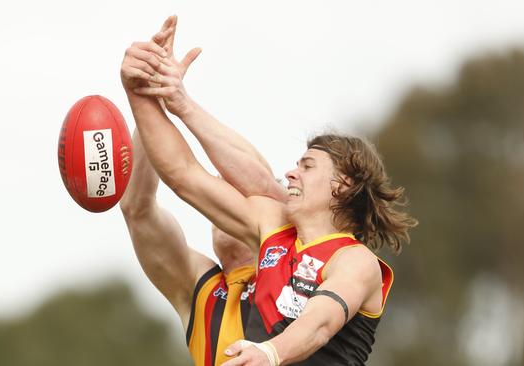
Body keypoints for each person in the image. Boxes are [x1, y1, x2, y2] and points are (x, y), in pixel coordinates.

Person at [121, 15, 418, 366]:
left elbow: (320, 322)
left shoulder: (354, 260)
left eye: (306, 166)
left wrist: (270, 352)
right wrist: (143, 91)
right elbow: (184, 175)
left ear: (343, 184)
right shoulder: (273, 231)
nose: (291, 174)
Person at [119, 16, 286, 366]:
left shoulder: (299, 262)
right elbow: (138, 209)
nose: (221, 188)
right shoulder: (202, 291)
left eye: (235, 187)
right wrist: (153, 98)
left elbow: (258, 179)